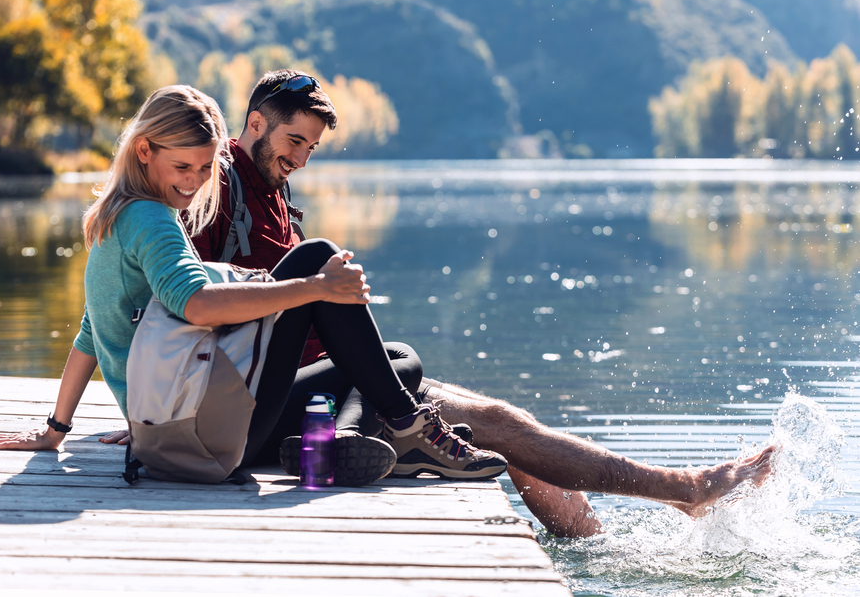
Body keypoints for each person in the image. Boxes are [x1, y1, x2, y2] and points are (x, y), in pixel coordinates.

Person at [190, 70, 776, 537]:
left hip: (329, 385)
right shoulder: (216, 189)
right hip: (278, 402)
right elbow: (171, 298)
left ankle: (599, 545)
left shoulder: (273, 191)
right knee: (495, 423)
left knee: (488, 413)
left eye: (312, 148)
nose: (302, 157)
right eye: (295, 141)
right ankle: (686, 489)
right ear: (255, 122)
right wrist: (160, 402)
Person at [0, 85, 508, 487]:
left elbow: (92, 332)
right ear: (143, 152)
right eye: (183, 166)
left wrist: (55, 430)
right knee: (321, 264)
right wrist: (315, 286)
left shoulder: (112, 218)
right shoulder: (151, 220)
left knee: (396, 358)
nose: (196, 182)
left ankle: (349, 437)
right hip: (205, 434)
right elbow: (198, 305)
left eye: (206, 170)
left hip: (171, 428)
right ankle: (407, 428)